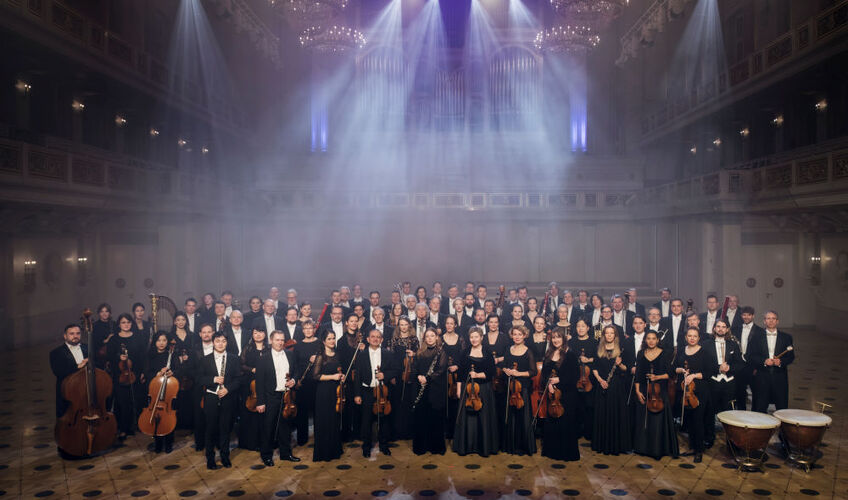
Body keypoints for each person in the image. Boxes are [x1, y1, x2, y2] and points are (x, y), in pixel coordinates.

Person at [255, 330, 301, 466]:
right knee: (268, 427)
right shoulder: (263, 358)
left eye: (282, 340)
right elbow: (259, 382)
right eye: (277, 340)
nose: (280, 342)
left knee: (285, 427)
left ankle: (286, 454)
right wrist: (260, 402)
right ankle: (266, 455)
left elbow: (297, 370)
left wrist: (294, 380)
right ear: (271, 341)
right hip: (271, 397)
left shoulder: (290, 354)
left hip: (286, 396)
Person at [632, 330, 678, 460]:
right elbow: (638, 374)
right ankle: (642, 448)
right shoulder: (641, 353)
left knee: (658, 421)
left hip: (659, 392)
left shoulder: (664, 353)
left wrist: (657, 377)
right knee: (643, 420)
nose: (651, 341)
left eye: (653, 338)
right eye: (648, 338)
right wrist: (637, 391)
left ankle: (657, 449)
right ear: (645, 340)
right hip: (644, 390)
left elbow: (671, 374)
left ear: (658, 340)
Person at [199, 331, 241, 469]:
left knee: (225, 429)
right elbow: (199, 379)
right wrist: (213, 379)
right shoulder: (205, 359)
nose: (220, 344)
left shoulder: (234, 359)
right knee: (210, 429)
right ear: (213, 343)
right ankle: (210, 459)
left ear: (227, 342)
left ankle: (225, 457)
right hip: (211, 398)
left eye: (223, 341)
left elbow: (238, 379)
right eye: (217, 341)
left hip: (227, 398)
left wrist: (228, 389)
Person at [354, 329, 398, 457]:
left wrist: (385, 375)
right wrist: (357, 394)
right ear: (368, 339)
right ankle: (366, 447)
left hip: (383, 391)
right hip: (367, 391)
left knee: (384, 420)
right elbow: (357, 376)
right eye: (372, 337)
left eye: (378, 337)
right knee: (366, 420)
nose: (375, 339)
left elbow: (396, 370)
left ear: (382, 340)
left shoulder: (388, 354)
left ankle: (384, 445)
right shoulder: (361, 355)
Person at [674, 327, 714, 463]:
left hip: (700, 390)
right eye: (690, 336)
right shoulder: (681, 351)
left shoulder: (704, 352)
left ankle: (699, 450)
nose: (692, 338)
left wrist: (694, 375)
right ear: (686, 337)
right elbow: (674, 367)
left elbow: (710, 372)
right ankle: (692, 446)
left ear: (699, 338)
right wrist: (680, 370)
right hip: (685, 390)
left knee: (698, 420)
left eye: (695, 336)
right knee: (689, 420)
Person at [591, 325, 631, 455]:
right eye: (607, 333)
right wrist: (600, 380)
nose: (609, 335)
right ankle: (602, 444)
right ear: (603, 335)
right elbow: (594, 368)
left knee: (615, 414)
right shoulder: (599, 349)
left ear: (615, 335)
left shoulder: (621, 350)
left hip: (616, 387)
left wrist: (620, 364)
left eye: (611, 333)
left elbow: (626, 369)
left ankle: (615, 445)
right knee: (602, 414)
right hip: (602, 385)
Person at [540, 328, 579, 461]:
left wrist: (559, 380)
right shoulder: (549, 353)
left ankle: (565, 453)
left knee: (566, 422)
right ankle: (552, 451)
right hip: (552, 394)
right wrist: (549, 384)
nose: (556, 340)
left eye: (558, 337)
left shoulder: (570, 354)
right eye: (553, 337)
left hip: (567, 394)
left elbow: (575, 376)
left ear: (563, 339)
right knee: (553, 420)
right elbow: (545, 373)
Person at [107, 313, 147, 440]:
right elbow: (109, 356)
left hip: (136, 373)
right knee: (123, 402)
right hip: (121, 375)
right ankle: (124, 428)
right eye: (123, 322)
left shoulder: (138, 336)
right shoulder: (114, 339)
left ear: (131, 323)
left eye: (128, 322)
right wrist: (119, 357)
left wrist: (142, 372)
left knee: (138, 400)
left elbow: (143, 356)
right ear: (119, 324)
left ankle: (138, 425)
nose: (126, 324)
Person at [703, 319, 741, 449]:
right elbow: (704, 364)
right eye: (718, 326)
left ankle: (731, 441)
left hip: (729, 384)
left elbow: (740, 364)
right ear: (714, 328)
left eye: (723, 327)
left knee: (729, 413)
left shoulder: (733, 345)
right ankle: (709, 438)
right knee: (709, 412)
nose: (720, 329)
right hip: (713, 382)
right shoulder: (706, 344)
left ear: (727, 329)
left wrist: (730, 368)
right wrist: (718, 368)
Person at [749, 311, 794, 413]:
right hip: (762, 376)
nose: (771, 321)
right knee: (760, 407)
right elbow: (751, 355)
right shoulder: (756, 337)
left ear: (777, 321)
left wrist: (780, 361)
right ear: (764, 321)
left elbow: (791, 357)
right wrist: (764, 361)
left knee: (782, 407)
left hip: (780, 377)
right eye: (768, 318)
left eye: (773, 318)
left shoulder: (786, 337)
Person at [412, 328, 448, 455]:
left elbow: (441, 369)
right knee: (422, 417)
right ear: (424, 338)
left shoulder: (441, 352)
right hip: (421, 386)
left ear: (437, 337)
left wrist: (427, 378)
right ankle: (421, 447)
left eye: (432, 336)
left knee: (435, 417)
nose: (430, 338)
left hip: (435, 388)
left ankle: (436, 447)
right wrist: (418, 376)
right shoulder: (420, 352)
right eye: (427, 336)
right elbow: (414, 367)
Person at [502, 326, 537, 455]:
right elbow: (504, 365)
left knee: (523, 416)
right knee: (511, 415)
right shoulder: (508, 349)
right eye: (514, 334)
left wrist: (518, 373)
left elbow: (533, 371)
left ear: (524, 335)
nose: (517, 337)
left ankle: (524, 447)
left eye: (519, 334)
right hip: (510, 387)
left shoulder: (528, 352)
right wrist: (506, 370)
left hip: (523, 388)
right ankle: (511, 446)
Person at [312, 330, 344, 462]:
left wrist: (341, 376)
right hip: (324, 392)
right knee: (324, 421)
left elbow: (339, 371)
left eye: (333, 338)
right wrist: (333, 377)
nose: (332, 341)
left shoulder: (337, 354)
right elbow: (315, 376)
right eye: (329, 339)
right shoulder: (321, 356)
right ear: (324, 341)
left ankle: (334, 450)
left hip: (335, 391)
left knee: (334, 420)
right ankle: (324, 452)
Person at [143, 332, 178, 453]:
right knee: (156, 416)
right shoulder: (149, 355)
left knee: (168, 416)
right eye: (159, 340)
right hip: (155, 390)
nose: (161, 343)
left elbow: (178, 369)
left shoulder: (172, 354)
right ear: (155, 342)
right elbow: (146, 372)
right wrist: (157, 374)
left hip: (168, 391)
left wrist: (172, 372)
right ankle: (157, 442)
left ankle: (169, 442)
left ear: (167, 342)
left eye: (164, 340)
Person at [238, 326, 269, 451]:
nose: (258, 335)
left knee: (265, 413)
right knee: (250, 413)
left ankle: (264, 442)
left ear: (265, 334)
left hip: (266, 383)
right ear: (252, 334)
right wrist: (252, 369)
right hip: (250, 384)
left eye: (261, 332)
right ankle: (250, 442)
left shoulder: (269, 349)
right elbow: (241, 365)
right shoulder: (248, 348)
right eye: (255, 332)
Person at [50, 324, 89, 418]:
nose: (75, 336)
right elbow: (58, 372)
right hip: (68, 391)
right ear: (65, 336)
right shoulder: (56, 353)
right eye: (72, 334)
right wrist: (77, 367)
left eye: (78, 333)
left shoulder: (88, 348)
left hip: (87, 389)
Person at [293, 319, 322, 446]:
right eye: (306, 328)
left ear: (314, 329)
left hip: (317, 381)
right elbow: (295, 365)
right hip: (303, 381)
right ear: (303, 330)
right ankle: (302, 438)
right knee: (302, 411)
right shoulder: (298, 345)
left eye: (310, 328)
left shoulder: (320, 343)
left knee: (318, 410)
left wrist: (318, 359)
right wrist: (297, 380)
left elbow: (326, 360)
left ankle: (319, 438)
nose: (308, 330)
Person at [390, 317, 419, 440]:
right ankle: (397, 431)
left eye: (405, 324)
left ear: (409, 326)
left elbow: (419, 356)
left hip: (409, 373)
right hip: (397, 373)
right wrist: (392, 375)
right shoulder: (394, 340)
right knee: (397, 402)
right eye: (401, 324)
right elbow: (391, 358)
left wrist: (414, 354)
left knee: (408, 401)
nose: (403, 327)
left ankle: (408, 431)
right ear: (398, 326)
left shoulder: (414, 339)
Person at [569, 318, 596, 441]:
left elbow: (598, 358)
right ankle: (577, 431)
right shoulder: (571, 342)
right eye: (578, 326)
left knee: (589, 405)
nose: (580, 328)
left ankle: (589, 431)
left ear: (588, 328)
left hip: (590, 378)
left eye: (583, 326)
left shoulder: (594, 342)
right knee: (576, 405)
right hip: (575, 377)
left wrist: (588, 360)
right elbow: (568, 359)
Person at [734, 306, 764, 410]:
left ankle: (754, 414)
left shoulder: (760, 331)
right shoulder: (736, 329)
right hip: (739, 366)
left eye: (749, 315)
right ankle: (741, 413)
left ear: (753, 316)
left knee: (756, 391)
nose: (746, 317)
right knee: (740, 392)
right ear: (741, 316)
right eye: (744, 315)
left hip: (753, 366)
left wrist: (757, 367)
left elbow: (761, 351)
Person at [442, 316, 466, 440]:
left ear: (455, 325)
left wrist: (457, 366)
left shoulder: (460, 339)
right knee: (444, 402)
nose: (449, 325)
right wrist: (445, 367)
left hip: (457, 374)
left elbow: (464, 357)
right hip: (443, 375)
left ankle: (455, 431)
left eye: (452, 323)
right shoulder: (440, 339)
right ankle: (445, 431)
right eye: (447, 323)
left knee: (455, 401)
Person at [91, 304, 114, 369]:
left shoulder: (114, 324)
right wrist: (108, 339)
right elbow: (94, 342)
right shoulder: (95, 325)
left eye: (106, 311)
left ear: (109, 313)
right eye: (102, 311)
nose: (104, 314)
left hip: (113, 354)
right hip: (99, 357)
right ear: (99, 313)